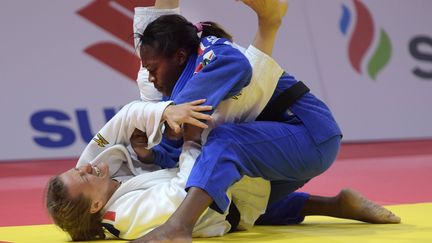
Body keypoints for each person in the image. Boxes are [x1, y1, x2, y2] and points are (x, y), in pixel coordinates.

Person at [46, 1, 400, 242]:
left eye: (152, 68)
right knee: (225, 191)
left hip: (309, 135)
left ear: (177, 56)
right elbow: (175, 158)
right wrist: (156, 154)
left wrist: (173, 116)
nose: (150, 77)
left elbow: (239, 69)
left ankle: (177, 229)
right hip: (282, 146)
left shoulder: (206, 65)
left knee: (221, 145)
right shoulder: (182, 81)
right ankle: (336, 204)